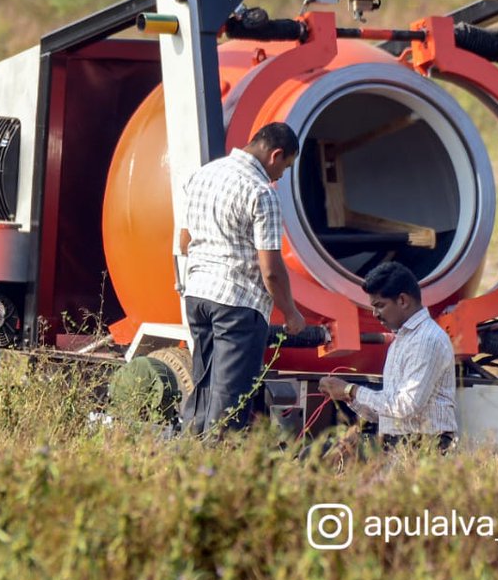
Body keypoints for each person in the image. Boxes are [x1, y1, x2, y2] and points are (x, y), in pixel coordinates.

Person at [178, 122, 306, 435]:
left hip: (197, 297)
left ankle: (187, 464)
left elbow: (184, 241)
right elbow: (271, 270)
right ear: (275, 155)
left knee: (204, 391)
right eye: (285, 167)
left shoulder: (202, 174)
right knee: (229, 403)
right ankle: (219, 471)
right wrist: (290, 312)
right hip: (238, 304)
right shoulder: (262, 193)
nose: (281, 175)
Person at [318, 262, 457, 453]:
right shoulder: (401, 340)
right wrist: (346, 395)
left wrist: (351, 390)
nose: (375, 314)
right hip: (400, 445)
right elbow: (385, 413)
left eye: (380, 305)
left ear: (402, 300)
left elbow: (406, 406)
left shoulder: (426, 340)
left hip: (423, 447)